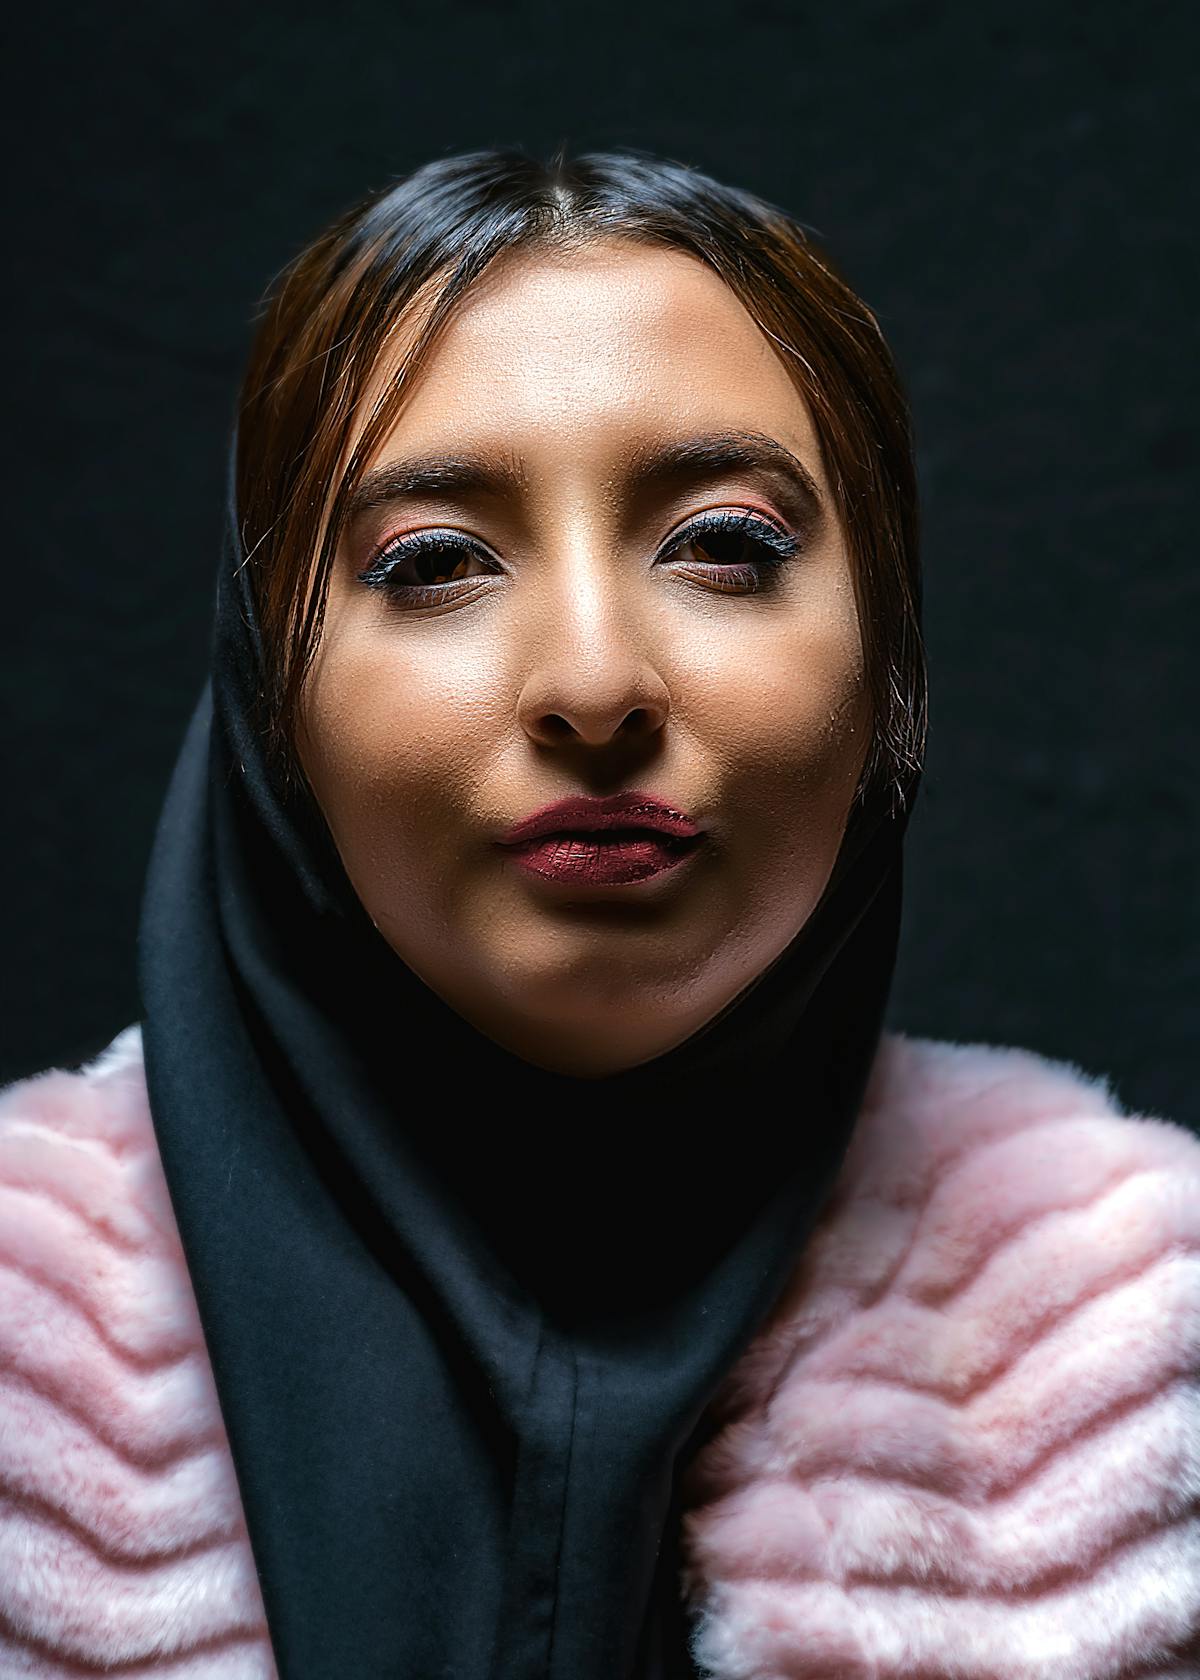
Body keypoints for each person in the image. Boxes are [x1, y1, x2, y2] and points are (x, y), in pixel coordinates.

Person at [1, 147, 1196, 1679]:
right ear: (269, 699)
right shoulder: (36, 1354)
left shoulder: (1146, 1351)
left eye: (724, 546)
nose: (591, 685)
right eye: (436, 563)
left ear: (890, 675)